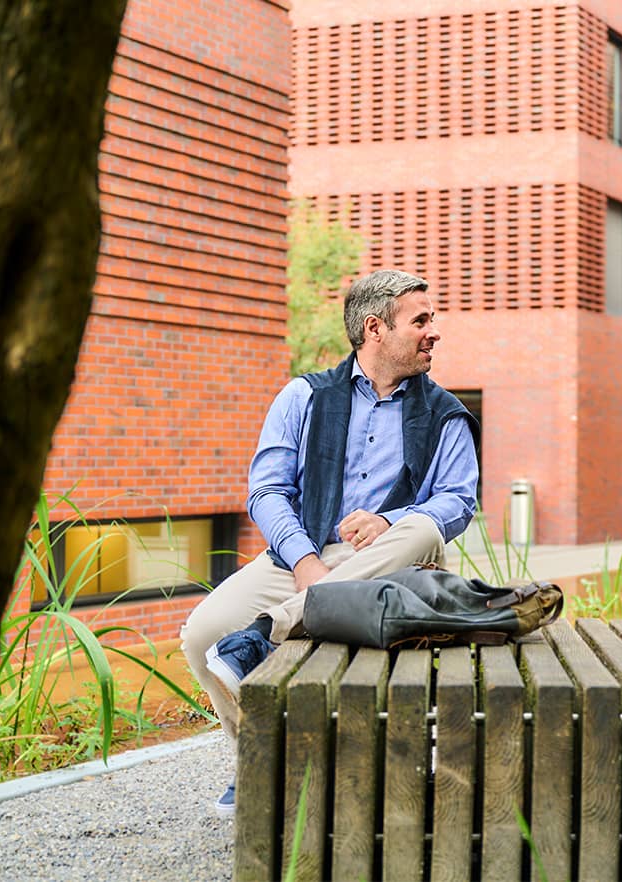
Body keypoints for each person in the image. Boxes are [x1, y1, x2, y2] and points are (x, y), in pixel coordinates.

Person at [181, 269, 480, 816]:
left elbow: (459, 502)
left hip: (394, 565)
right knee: (200, 634)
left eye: (432, 320)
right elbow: (268, 491)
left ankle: (265, 633)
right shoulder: (303, 396)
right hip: (306, 558)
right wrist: (303, 560)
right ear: (375, 329)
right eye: (421, 320)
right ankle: (259, 757)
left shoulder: (446, 415)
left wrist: (390, 522)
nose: (434, 331)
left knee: (422, 525)